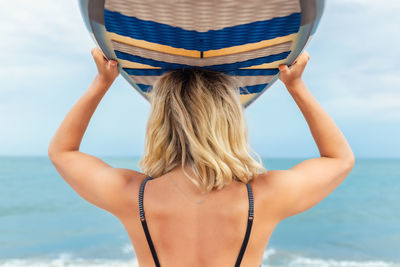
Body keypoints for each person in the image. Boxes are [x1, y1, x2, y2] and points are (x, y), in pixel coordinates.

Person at [48, 47, 355, 267]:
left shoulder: (133, 195)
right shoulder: (263, 195)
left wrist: (101, 82)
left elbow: (63, 152)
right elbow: (339, 159)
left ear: (161, 121)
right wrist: (296, 85)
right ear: (230, 120)